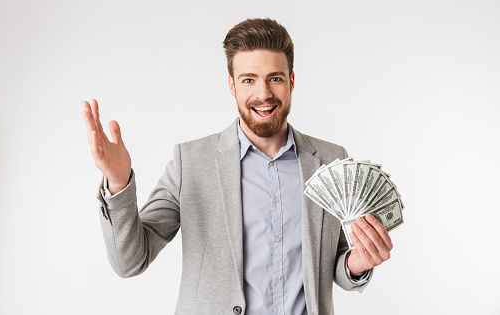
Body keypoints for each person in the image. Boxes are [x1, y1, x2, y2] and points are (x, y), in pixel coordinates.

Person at [82, 18, 393, 315]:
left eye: (275, 78)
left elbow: (332, 261)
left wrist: (356, 263)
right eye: (249, 80)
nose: (263, 94)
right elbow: (130, 262)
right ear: (232, 85)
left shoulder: (328, 159)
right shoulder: (190, 163)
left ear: (291, 81)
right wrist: (119, 183)